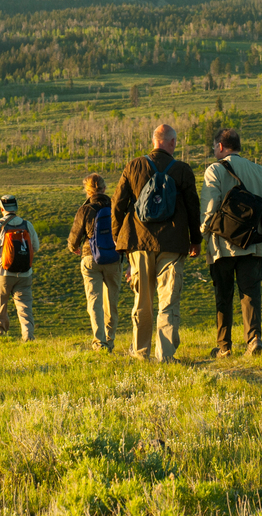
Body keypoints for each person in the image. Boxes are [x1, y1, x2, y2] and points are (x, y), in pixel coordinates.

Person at [113, 124, 201, 362]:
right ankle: (166, 355)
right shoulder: (182, 170)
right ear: (171, 143)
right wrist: (196, 240)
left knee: (142, 301)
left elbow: (118, 203)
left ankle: (141, 352)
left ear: (153, 141)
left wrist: (117, 236)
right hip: (173, 244)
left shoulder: (134, 165)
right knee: (168, 300)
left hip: (139, 242)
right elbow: (193, 207)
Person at [201, 128, 262, 358]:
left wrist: (203, 235)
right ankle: (254, 339)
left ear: (221, 147)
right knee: (251, 294)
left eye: (215, 146)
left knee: (223, 296)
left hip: (222, 245)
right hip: (253, 243)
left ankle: (224, 346)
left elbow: (209, 208)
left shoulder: (214, 170)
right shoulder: (258, 169)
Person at [67, 173, 123, 352]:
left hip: (90, 258)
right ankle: (110, 339)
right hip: (114, 259)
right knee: (111, 302)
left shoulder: (85, 209)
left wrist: (73, 248)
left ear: (87, 190)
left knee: (94, 301)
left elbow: (74, 238)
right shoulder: (115, 206)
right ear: (105, 188)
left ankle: (99, 343)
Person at [0, 194, 41, 341]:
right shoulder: (27, 225)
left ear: (1, 209)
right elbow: (36, 247)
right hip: (25, 273)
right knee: (25, 307)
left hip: (2, 273)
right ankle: (28, 337)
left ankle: (1, 336)